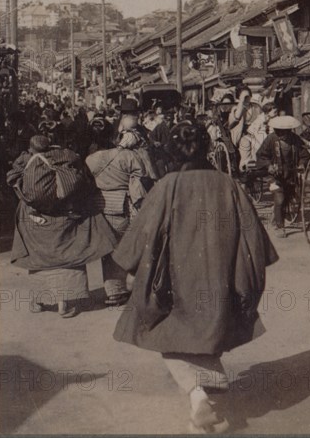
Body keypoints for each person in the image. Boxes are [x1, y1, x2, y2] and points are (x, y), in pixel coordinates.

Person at [111, 123, 278, 433]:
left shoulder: (167, 185)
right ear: (206, 149)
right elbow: (254, 238)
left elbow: (142, 235)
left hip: (174, 283)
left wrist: (128, 265)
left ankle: (198, 396)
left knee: (164, 332)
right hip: (222, 276)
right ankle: (202, 404)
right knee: (208, 333)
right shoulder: (228, 184)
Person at [7, 135, 117, 317]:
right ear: (49, 146)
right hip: (65, 215)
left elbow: (12, 180)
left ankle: (38, 299)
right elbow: (84, 182)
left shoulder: (25, 160)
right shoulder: (64, 157)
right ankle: (64, 302)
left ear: (31, 148)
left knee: (39, 257)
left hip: (35, 217)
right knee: (69, 254)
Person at [86, 130, 150, 306]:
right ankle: (126, 288)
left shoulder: (91, 158)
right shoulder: (129, 156)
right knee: (126, 246)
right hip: (123, 205)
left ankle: (113, 290)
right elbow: (143, 174)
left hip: (99, 205)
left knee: (109, 248)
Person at [256, 116, 309, 238]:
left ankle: (276, 217)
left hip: (290, 174)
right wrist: (269, 166)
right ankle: (280, 227)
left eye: (284, 132)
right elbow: (261, 155)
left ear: (290, 131)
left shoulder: (295, 140)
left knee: (286, 199)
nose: (281, 134)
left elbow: (304, 154)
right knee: (279, 198)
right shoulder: (270, 139)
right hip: (275, 175)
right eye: (278, 131)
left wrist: (301, 164)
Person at [239, 102, 278, 171]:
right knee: (258, 146)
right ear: (267, 112)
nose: (276, 113)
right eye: (274, 112)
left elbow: (272, 130)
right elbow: (256, 131)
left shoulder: (274, 118)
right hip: (254, 134)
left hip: (265, 135)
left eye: (276, 112)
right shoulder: (260, 119)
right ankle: (250, 164)